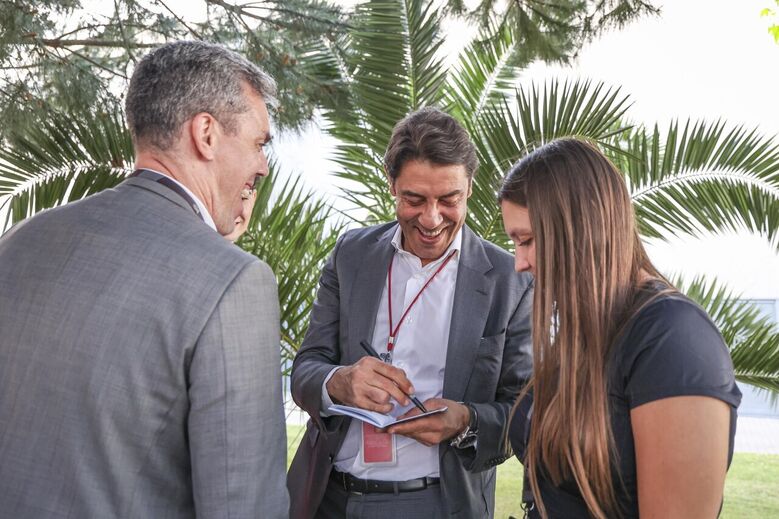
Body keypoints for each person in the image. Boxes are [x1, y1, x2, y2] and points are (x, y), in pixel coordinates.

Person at [0, 41, 289, 518]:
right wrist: (222, 273)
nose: (261, 165)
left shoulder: (19, 239)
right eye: (259, 143)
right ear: (207, 134)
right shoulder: (236, 285)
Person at [287, 107, 534, 519]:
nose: (432, 218)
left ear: (469, 188)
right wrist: (339, 382)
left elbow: (524, 414)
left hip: (437, 504)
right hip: (327, 498)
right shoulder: (351, 254)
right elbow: (305, 369)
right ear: (392, 186)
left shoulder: (512, 281)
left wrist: (465, 421)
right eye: (414, 199)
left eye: (449, 200)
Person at [499, 138, 742, 518]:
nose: (520, 263)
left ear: (581, 228)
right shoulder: (584, 329)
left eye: (527, 241)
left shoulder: (672, 339)